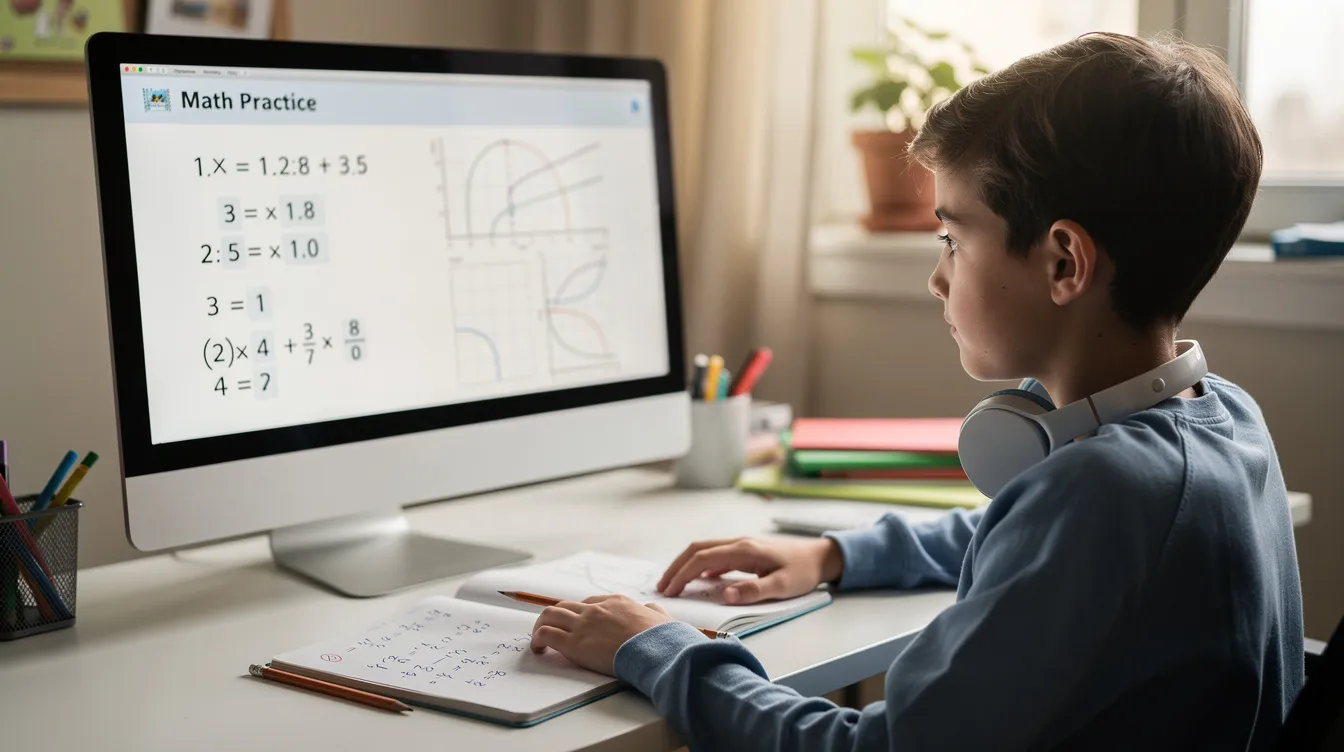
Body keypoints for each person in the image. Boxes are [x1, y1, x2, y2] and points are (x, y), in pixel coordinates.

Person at [528, 32, 1305, 751]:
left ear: (1065, 262)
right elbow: (1032, 545)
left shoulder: (1101, 492)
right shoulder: (1224, 420)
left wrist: (658, 648)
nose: (937, 279)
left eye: (952, 238)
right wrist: (835, 554)